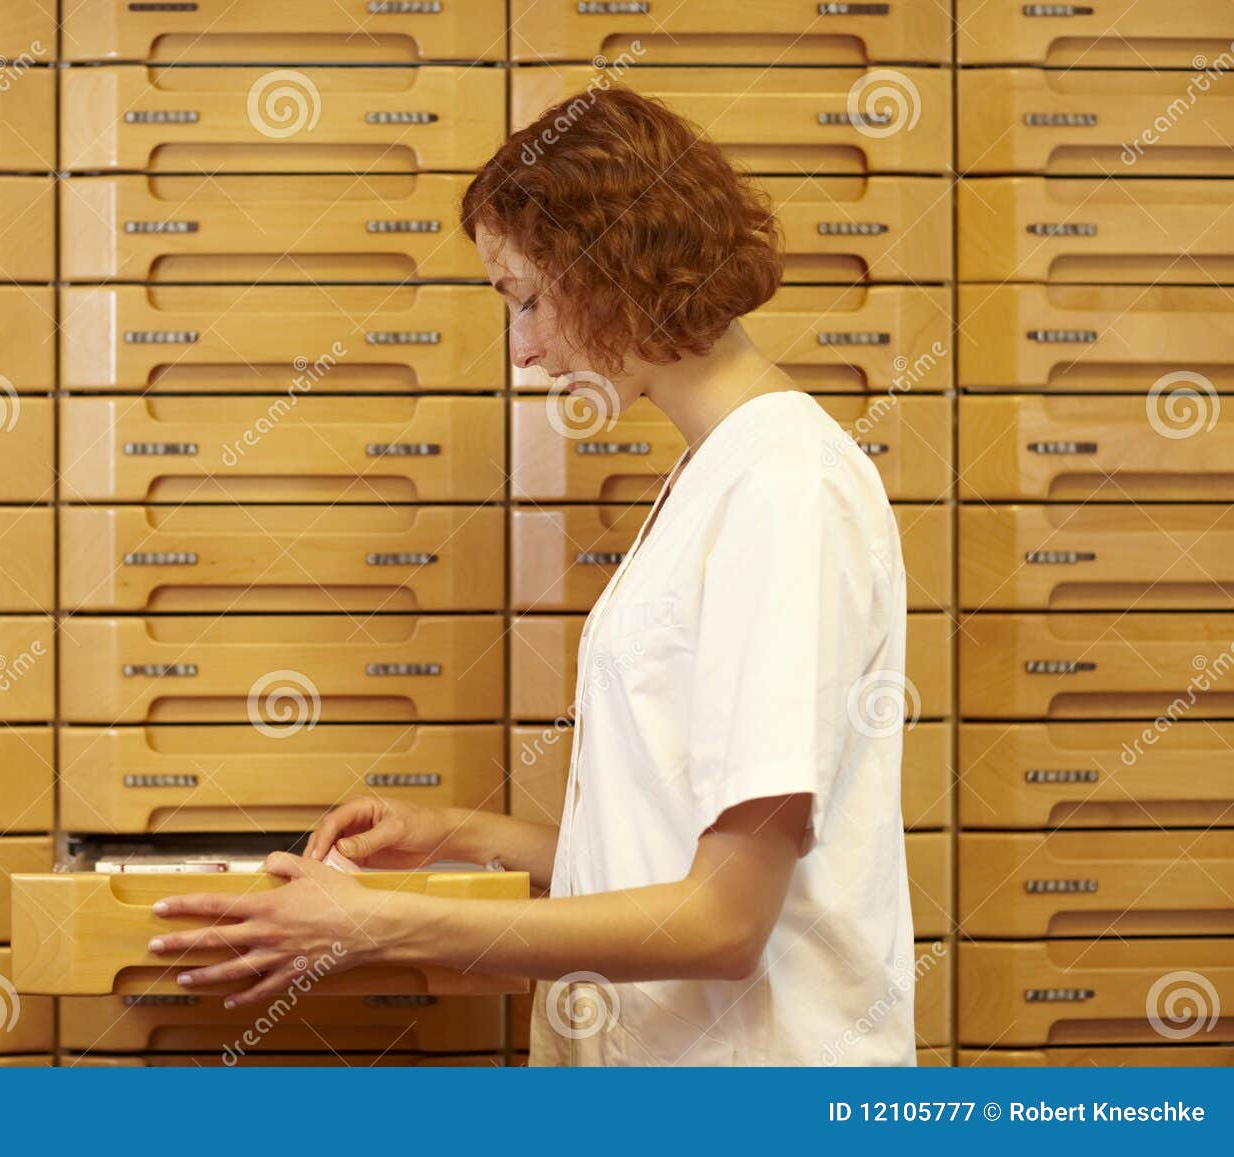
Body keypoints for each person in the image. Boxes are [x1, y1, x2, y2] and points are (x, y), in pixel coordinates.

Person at [145, 85, 916, 1066]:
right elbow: (665, 854)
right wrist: (467, 832)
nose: (521, 347)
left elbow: (723, 920)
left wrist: (371, 922)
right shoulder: (719, 472)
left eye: (527, 297)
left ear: (612, 264)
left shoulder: (783, 487)